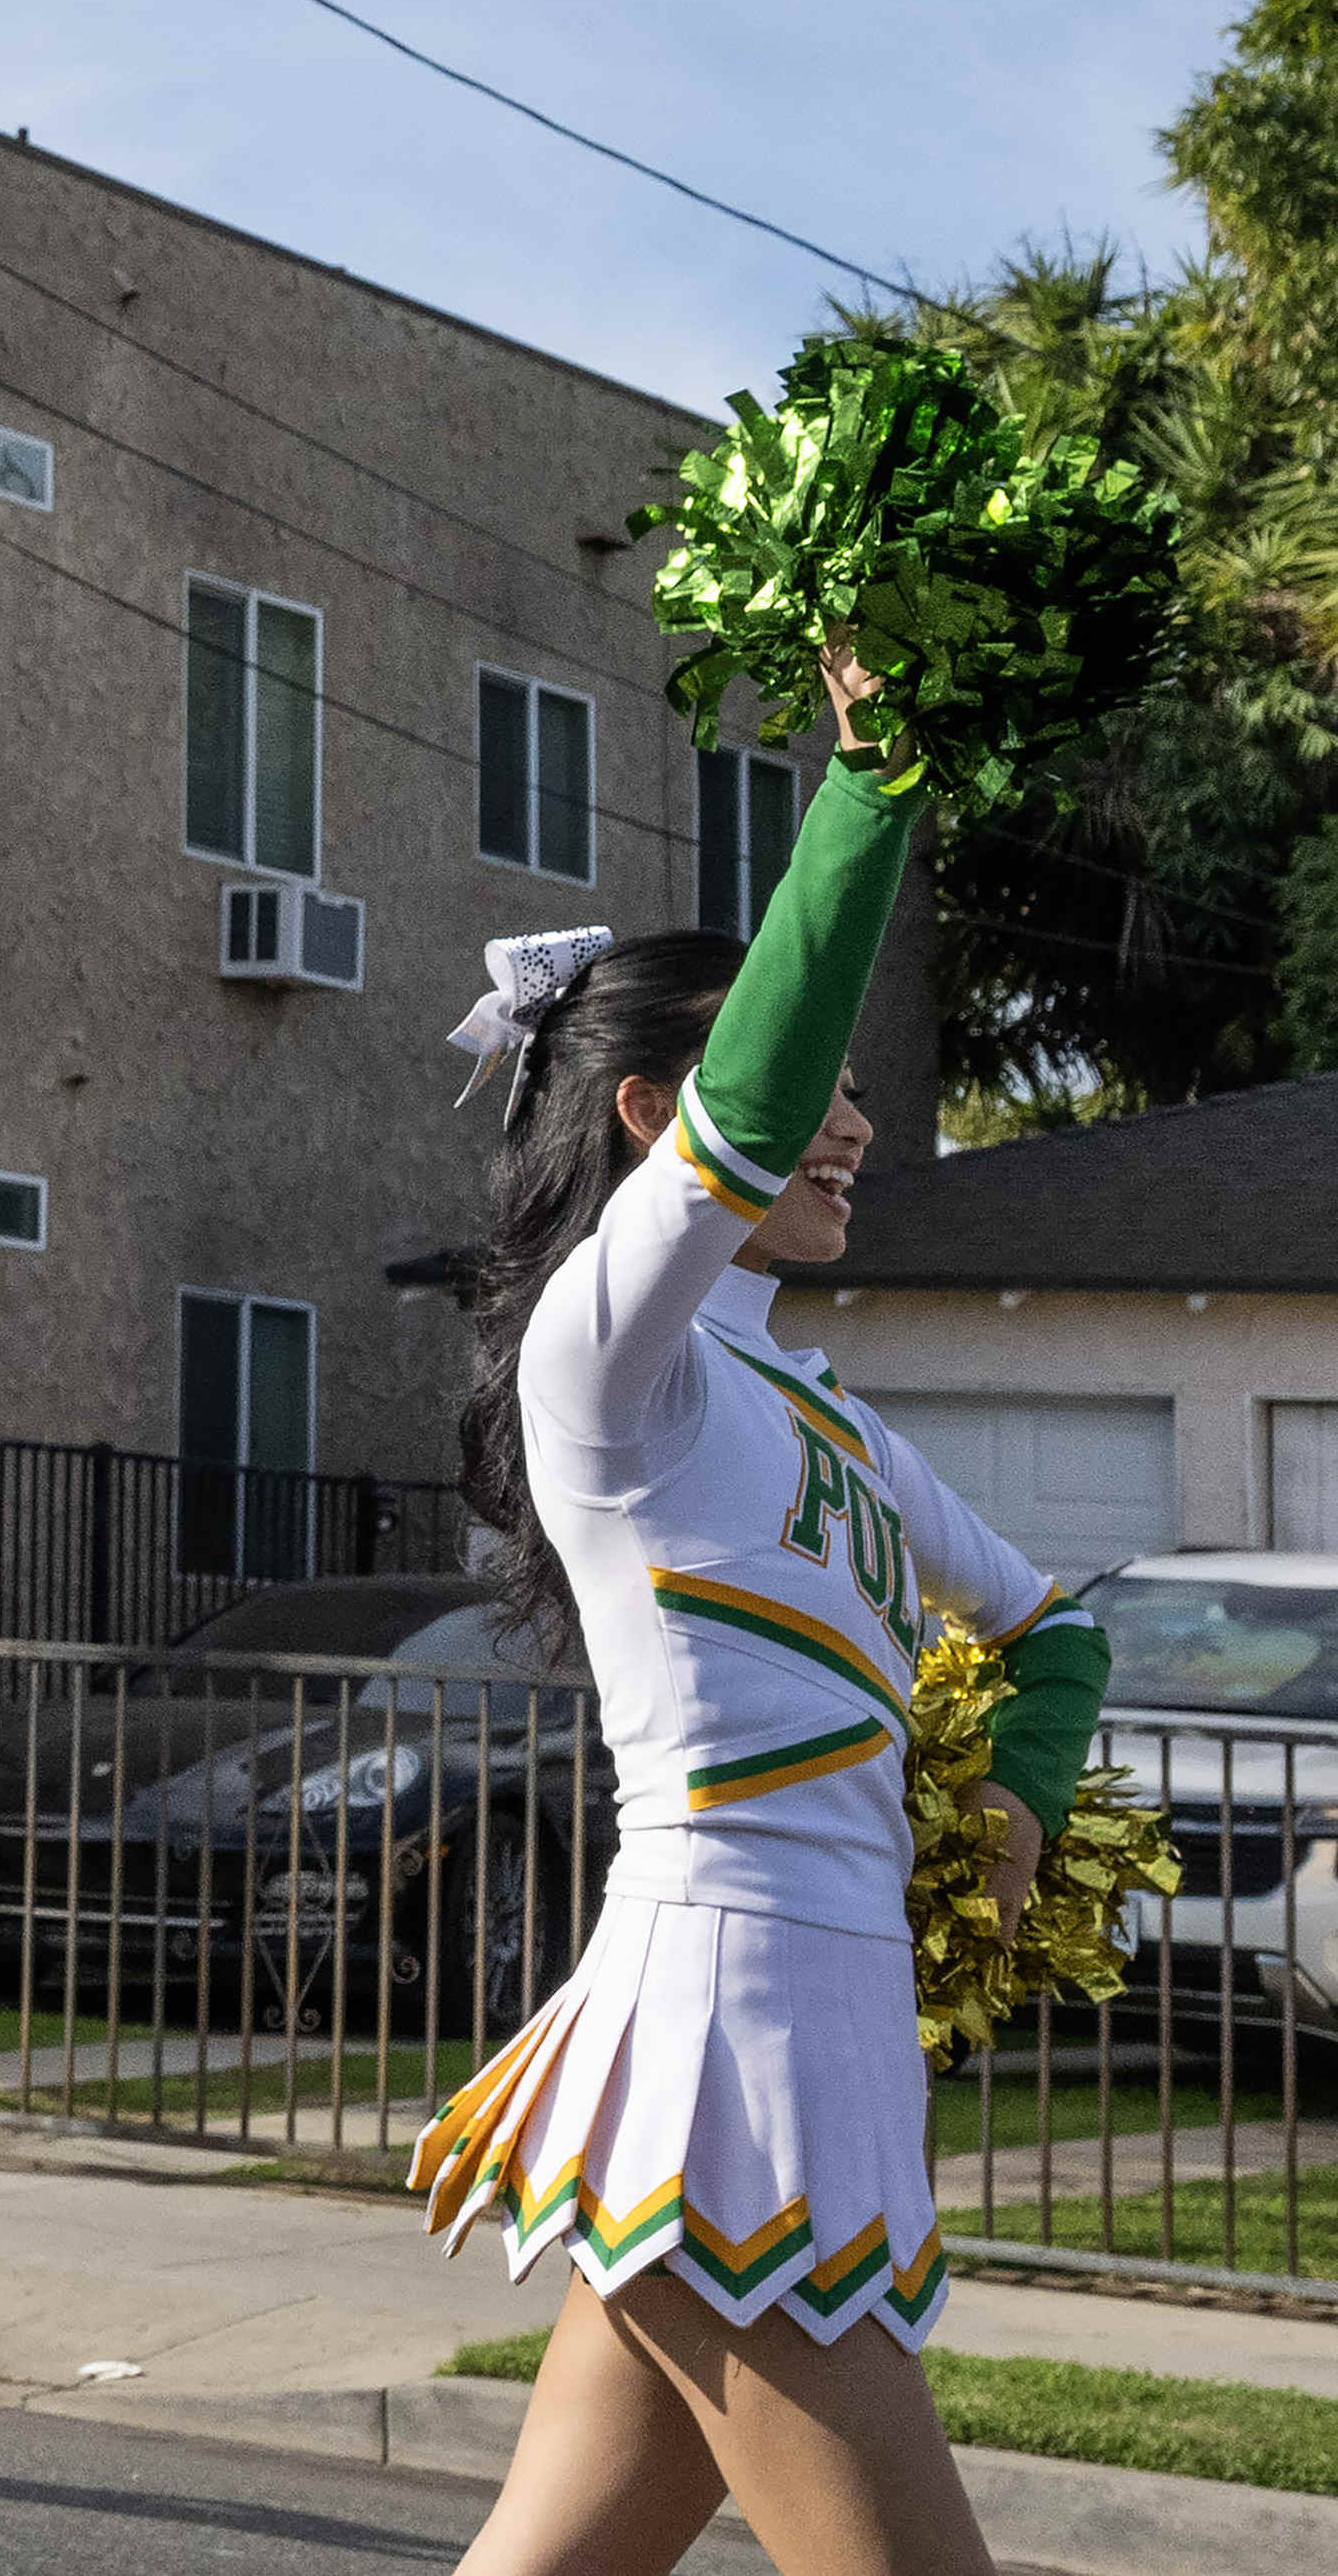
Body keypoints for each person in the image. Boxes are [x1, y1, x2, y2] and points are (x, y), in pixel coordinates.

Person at [416, 681, 1106, 2576]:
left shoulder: (838, 1423)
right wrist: (878, 781)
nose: (860, 1125)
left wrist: (1017, 1801)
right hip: (733, 2032)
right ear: (658, 1115)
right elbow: (744, 1120)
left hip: (824, 2018)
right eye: (823, 1085)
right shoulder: (607, 1360)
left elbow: (1056, 1631)